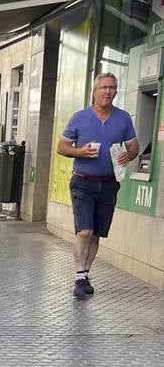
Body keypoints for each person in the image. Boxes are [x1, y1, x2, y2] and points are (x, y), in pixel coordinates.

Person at [57, 72, 138, 299]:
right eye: (103, 87)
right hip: (83, 182)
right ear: (94, 91)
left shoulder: (123, 118)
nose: (107, 91)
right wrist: (80, 151)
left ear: (116, 92)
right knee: (84, 230)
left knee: (96, 234)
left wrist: (127, 156)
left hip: (109, 184)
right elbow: (62, 147)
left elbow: (134, 146)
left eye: (112, 87)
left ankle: (85, 274)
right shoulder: (79, 118)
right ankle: (79, 277)